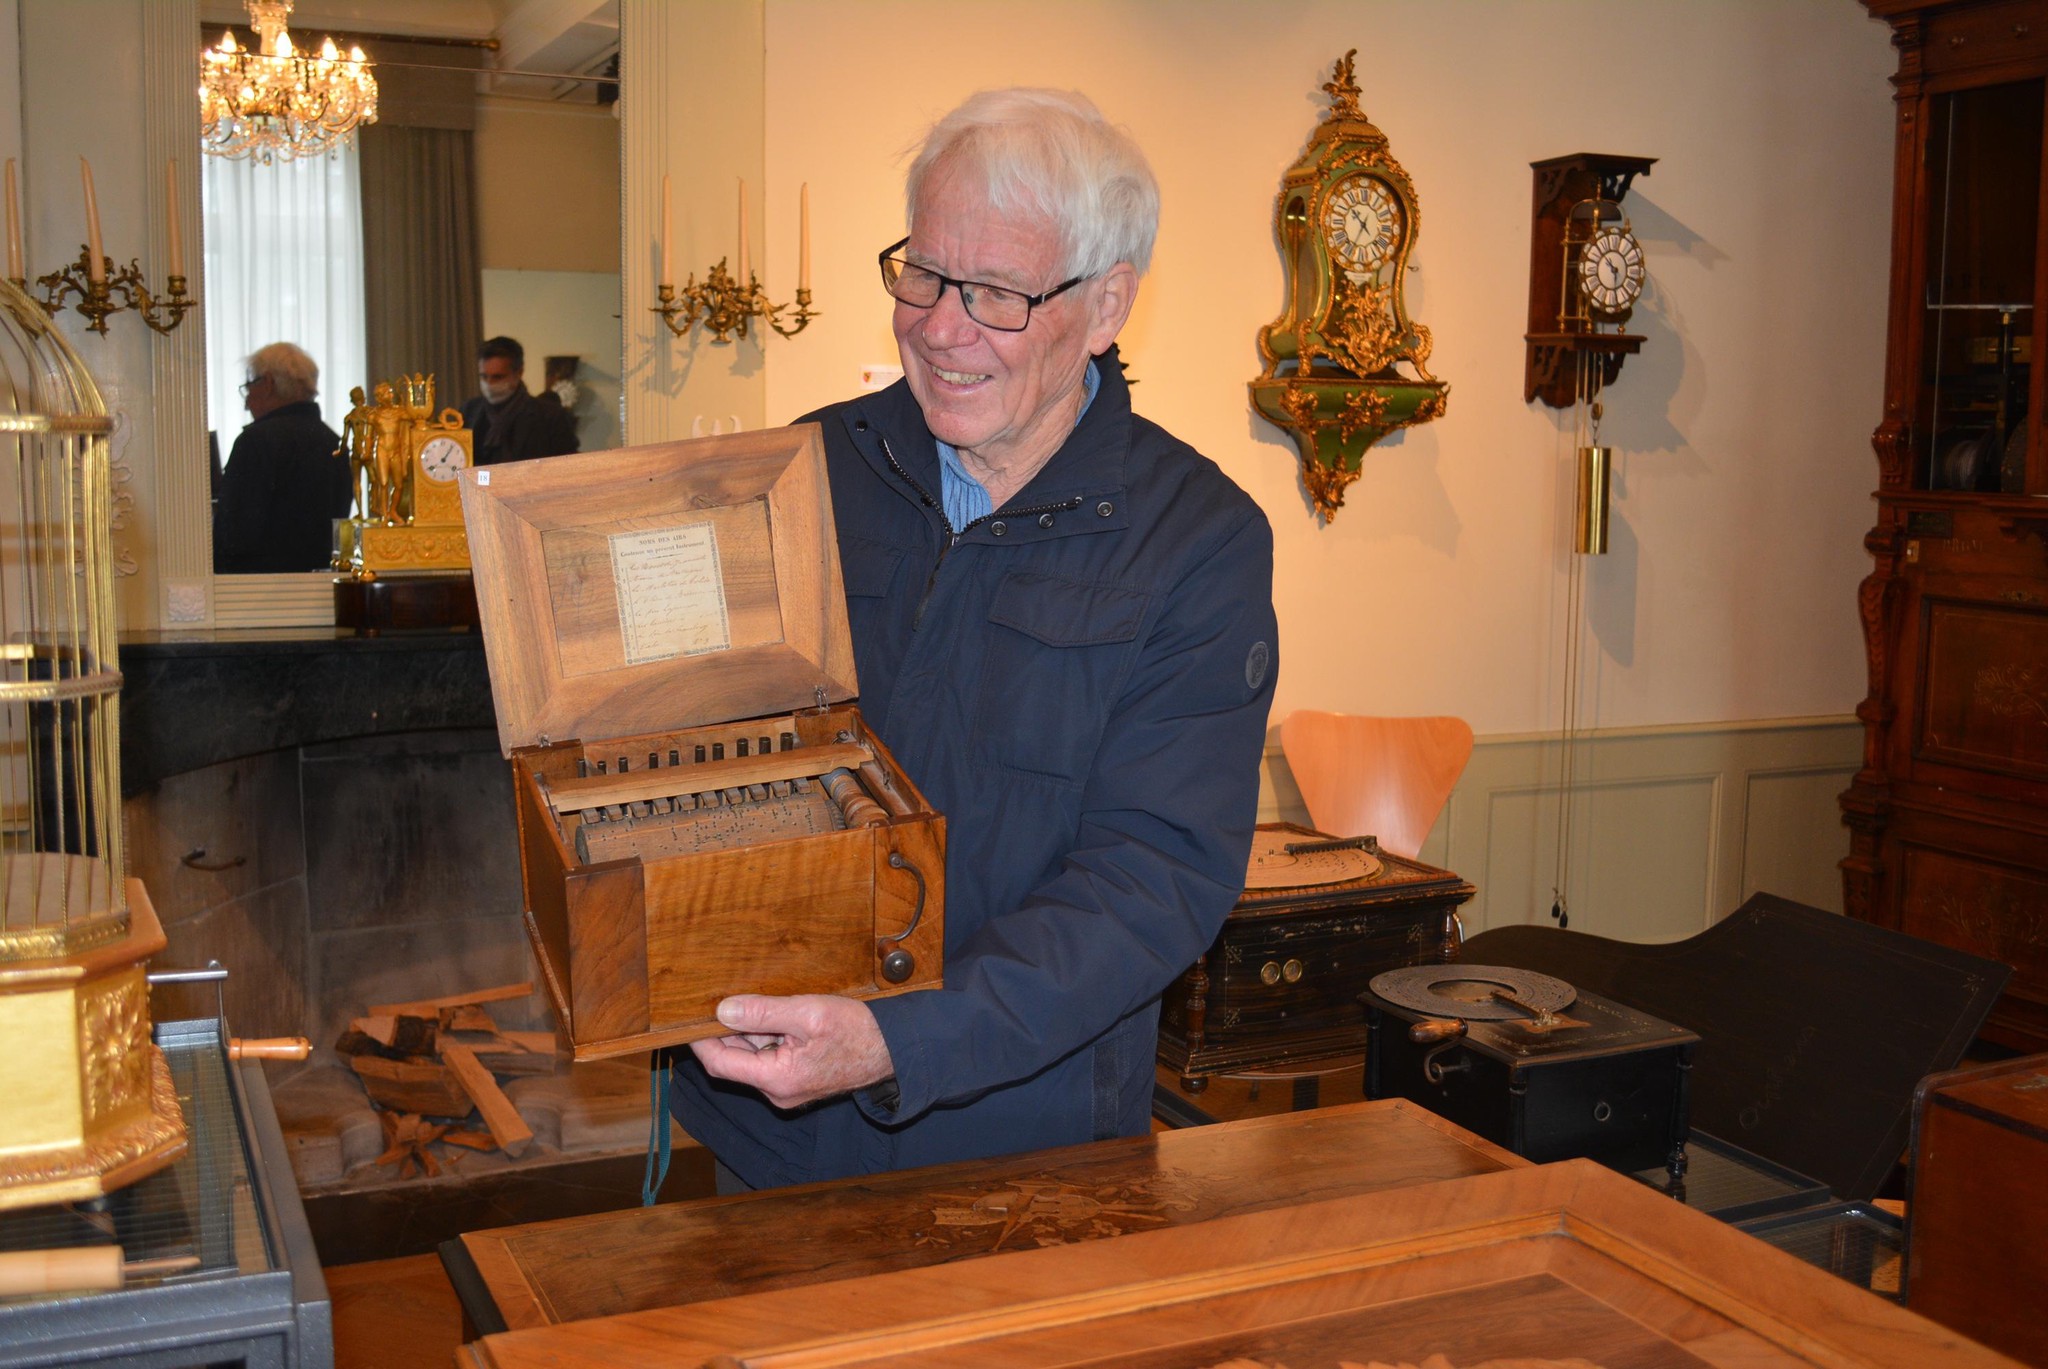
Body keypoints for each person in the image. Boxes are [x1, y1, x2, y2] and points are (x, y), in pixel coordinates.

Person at [673, 88, 1279, 1190]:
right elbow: (716, 747)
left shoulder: (1197, 540)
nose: (940, 327)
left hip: (1014, 1147)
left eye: (996, 293)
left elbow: (1151, 879)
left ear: (1105, 307)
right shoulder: (805, 468)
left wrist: (900, 1039)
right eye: (922, 273)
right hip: (764, 1129)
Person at [212, 342, 353, 573]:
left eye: (249, 387)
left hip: (253, 590)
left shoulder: (256, 441)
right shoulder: (336, 443)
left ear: (267, 384)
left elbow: (234, 535)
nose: (247, 402)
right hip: (321, 587)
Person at [460, 336, 579, 464]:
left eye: (498, 377)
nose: (489, 383)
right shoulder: (468, 411)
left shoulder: (550, 415)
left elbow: (567, 466)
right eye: (484, 376)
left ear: (519, 373)